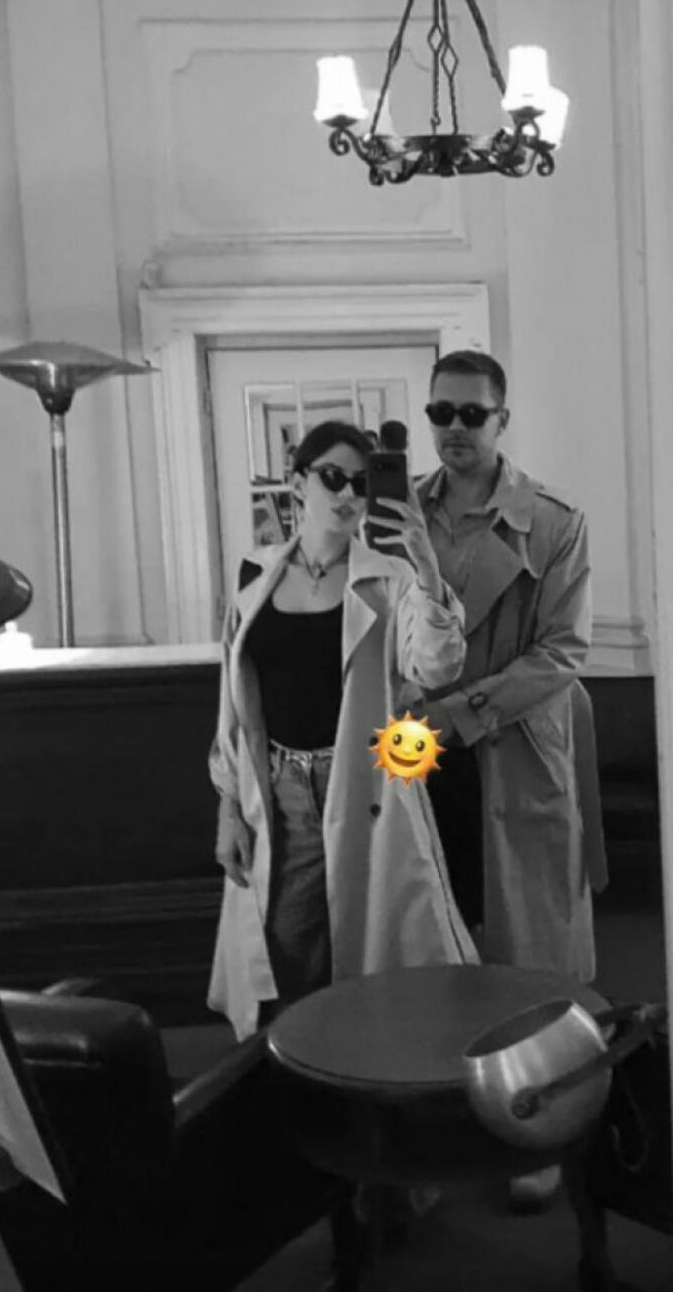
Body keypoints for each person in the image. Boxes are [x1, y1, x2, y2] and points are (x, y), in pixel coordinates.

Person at [404, 350, 607, 1209]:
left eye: (471, 414)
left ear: (502, 420)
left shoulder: (553, 522)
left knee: (531, 946)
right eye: (439, 412)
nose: (453, 429)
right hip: (413, 751)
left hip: (512, 743)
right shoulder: (396, 513)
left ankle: (542, 1122)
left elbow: (563, 649)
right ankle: (435, 1121)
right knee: (425, 929)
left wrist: (460, 713)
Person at [207, 419, 476, 1042]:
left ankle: (371, 1072)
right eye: (333, 477)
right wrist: (228, 805)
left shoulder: (391, 578)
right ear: (297, 481)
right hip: (278, 788)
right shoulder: (255, 577)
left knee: (375, 947)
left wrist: (427, 568)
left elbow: (437, 668)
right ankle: (296, 1075)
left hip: (364, 781)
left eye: (362, 482)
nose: (349, 493)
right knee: (287, 948)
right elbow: (232, 705)